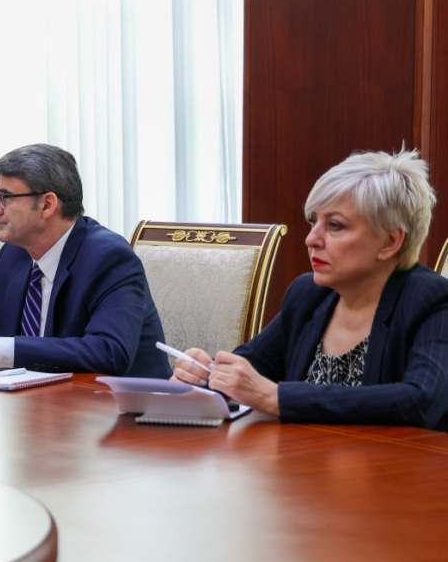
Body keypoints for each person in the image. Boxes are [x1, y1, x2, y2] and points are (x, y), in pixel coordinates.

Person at [172, 149, 448, 430]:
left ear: (390, 241)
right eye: (313, 221)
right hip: (302, 465)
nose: (311, 239)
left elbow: (420, 401)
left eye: (335, 226)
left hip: (396, 469)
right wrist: (204, 375)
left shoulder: (432, 301)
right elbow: (250, 367)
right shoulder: (309, 295)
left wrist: (276, 398)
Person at [0, 143, 169, 377]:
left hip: (124, 420)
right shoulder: (16, 254)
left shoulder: (108, 257)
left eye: (5, 198)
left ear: (47, 204)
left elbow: (109, 351)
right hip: (42, 412)